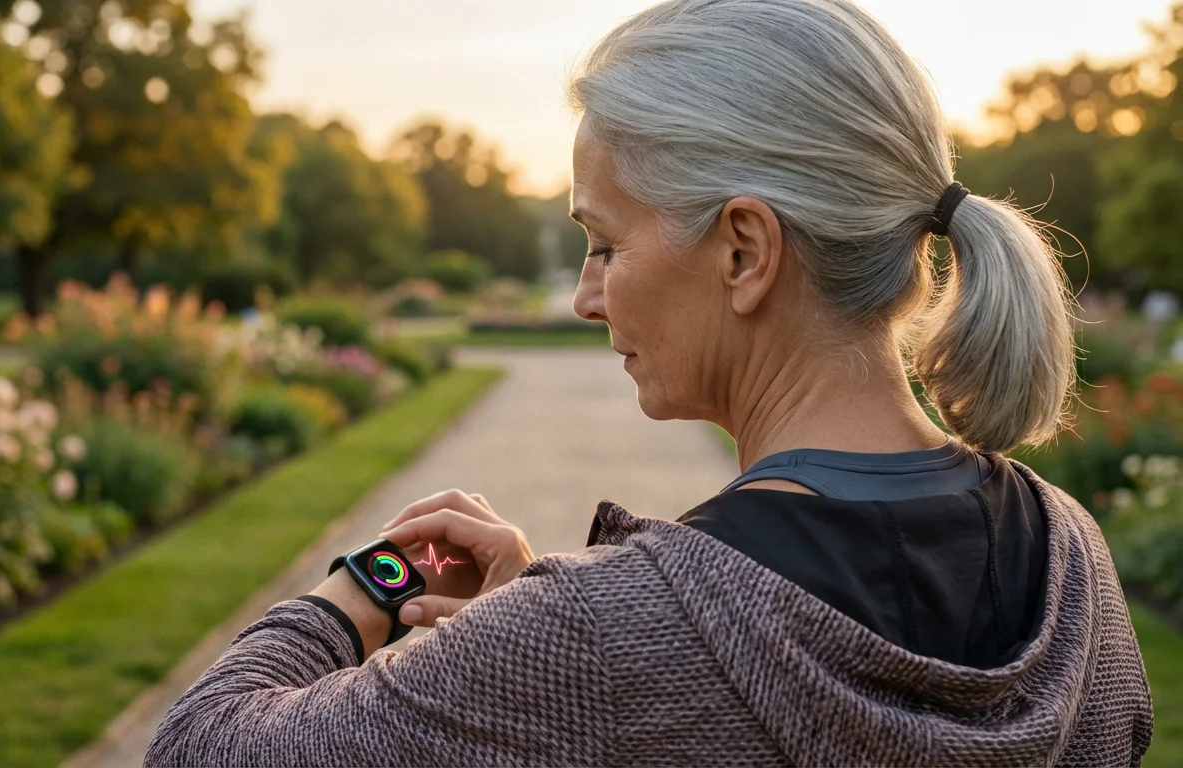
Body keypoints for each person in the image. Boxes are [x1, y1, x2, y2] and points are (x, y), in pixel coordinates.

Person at [144, 0, 1154, 764]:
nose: (588, 297)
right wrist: (534, 654)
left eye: (604, 241)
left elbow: (203, 746)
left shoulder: (599, 636)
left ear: (742, 252)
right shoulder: (1073, 565)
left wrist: (371, 586)